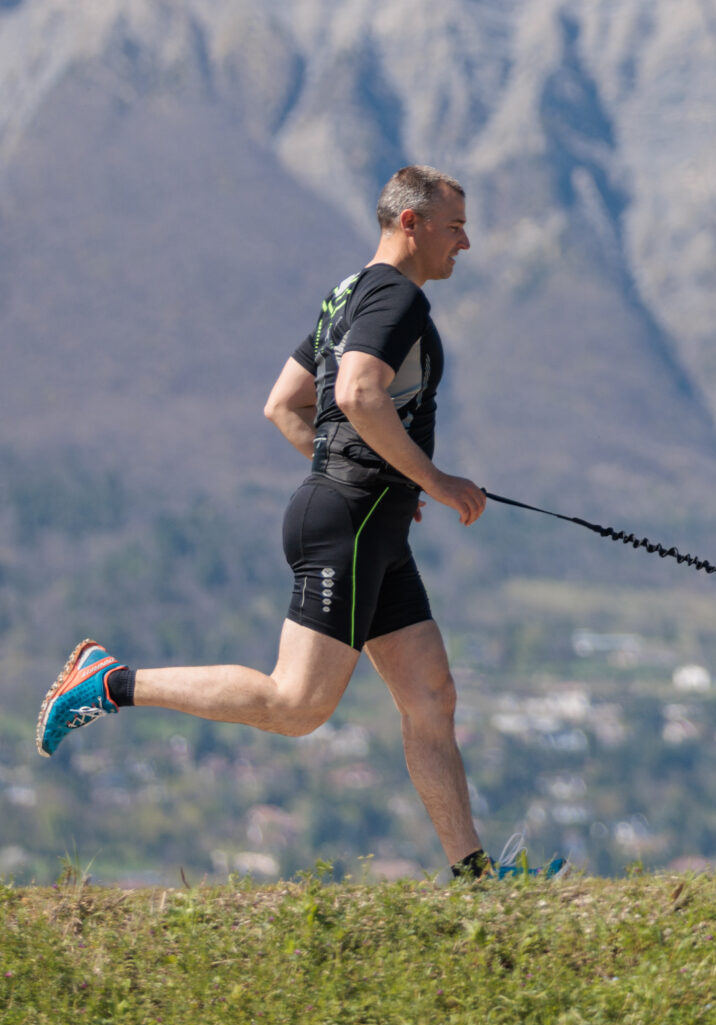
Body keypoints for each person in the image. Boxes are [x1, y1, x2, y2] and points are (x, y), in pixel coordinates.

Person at [35, 164, 505, 881]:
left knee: (430, 696)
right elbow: (354, 391)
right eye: (455, 227)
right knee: (296, 705)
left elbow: (286, 405)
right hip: (348, 521)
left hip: (368, 520)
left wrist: (382, 474)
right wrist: (431, 479)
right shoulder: (396, 296)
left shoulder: (346, 295)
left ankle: (478, 882)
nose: (464, 244)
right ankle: (109, 681)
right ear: (411, 224)